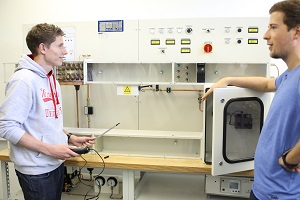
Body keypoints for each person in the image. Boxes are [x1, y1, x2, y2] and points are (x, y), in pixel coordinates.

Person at [202, 0, 300, 199]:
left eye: (273, 27)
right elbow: (266, 84)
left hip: (282, 194)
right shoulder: (290, 75)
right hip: (263, 189)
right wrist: (228, 80)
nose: (265, 35)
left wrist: (290, 159)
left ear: (296, 31)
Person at [0, 23, 96, 200]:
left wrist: (69, 137)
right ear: (43, 48)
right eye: (60, 45)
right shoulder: (24, 80)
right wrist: (50, 150)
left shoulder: (50, 78)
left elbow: (45, 121)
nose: (65, 51)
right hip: (36, 171)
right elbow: (6, 127)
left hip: (54, 164)